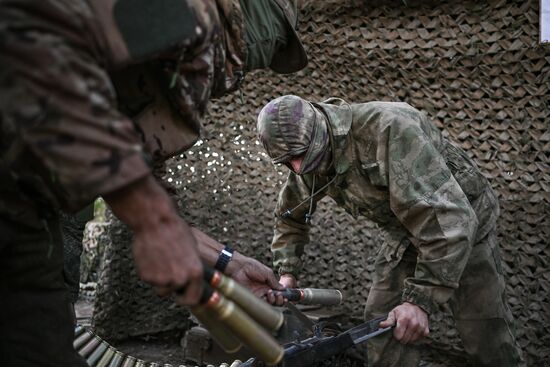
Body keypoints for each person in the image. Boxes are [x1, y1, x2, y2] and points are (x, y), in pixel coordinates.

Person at [0, 0, 307, 366]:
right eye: (274, 39)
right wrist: (153, 221)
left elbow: (141, 172)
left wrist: (226, 263)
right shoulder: (185, 13)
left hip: (24, 206)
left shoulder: (175, 59)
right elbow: (34, 55)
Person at [258, 95, 523, 366]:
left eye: (302, 156)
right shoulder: (304, 158)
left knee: (483, 332)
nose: (299, 168)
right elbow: (290, 216)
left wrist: (419, 301)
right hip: (405, 232)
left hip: (463, 223)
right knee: (383, 321)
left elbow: (450, 220)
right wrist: (287, 273)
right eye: (289, 161)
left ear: (320, 133)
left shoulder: (390, 129)